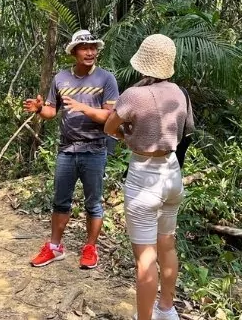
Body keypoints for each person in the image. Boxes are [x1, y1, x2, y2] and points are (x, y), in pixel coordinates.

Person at [104, 34, 194, 320]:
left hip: (144, 175)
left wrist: (128, 135)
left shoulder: (133, 95)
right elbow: (186, 131)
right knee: (167, 246)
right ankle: (166, 309)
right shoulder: (180, 93)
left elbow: (109, 128)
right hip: (172, 174)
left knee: (145, 258)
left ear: (142, 62)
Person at [23, 29, 119, 269]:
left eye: (93, 48)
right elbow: (51, 111)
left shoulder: (106, 79)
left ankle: (90, 248)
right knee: (60, 201)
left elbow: (110, 117)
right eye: (85, 48)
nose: (90, 52)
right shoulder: (61, 78)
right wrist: (39, 109)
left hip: (95, 149)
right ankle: (55, 247)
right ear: (74, 52)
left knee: (93, 203)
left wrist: (82, 107)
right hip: (67, 150)